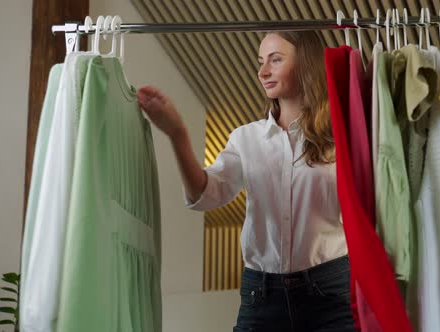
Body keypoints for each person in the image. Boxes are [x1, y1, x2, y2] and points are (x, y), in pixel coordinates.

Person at [136, 31, 356, 332]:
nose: (262, 71)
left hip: (330, 292)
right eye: (260, 62)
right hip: (261, 295)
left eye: (275, 60)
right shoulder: (245, 139)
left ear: (306, 63)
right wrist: (177, 134)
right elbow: (206, 194)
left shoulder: (343, 135)